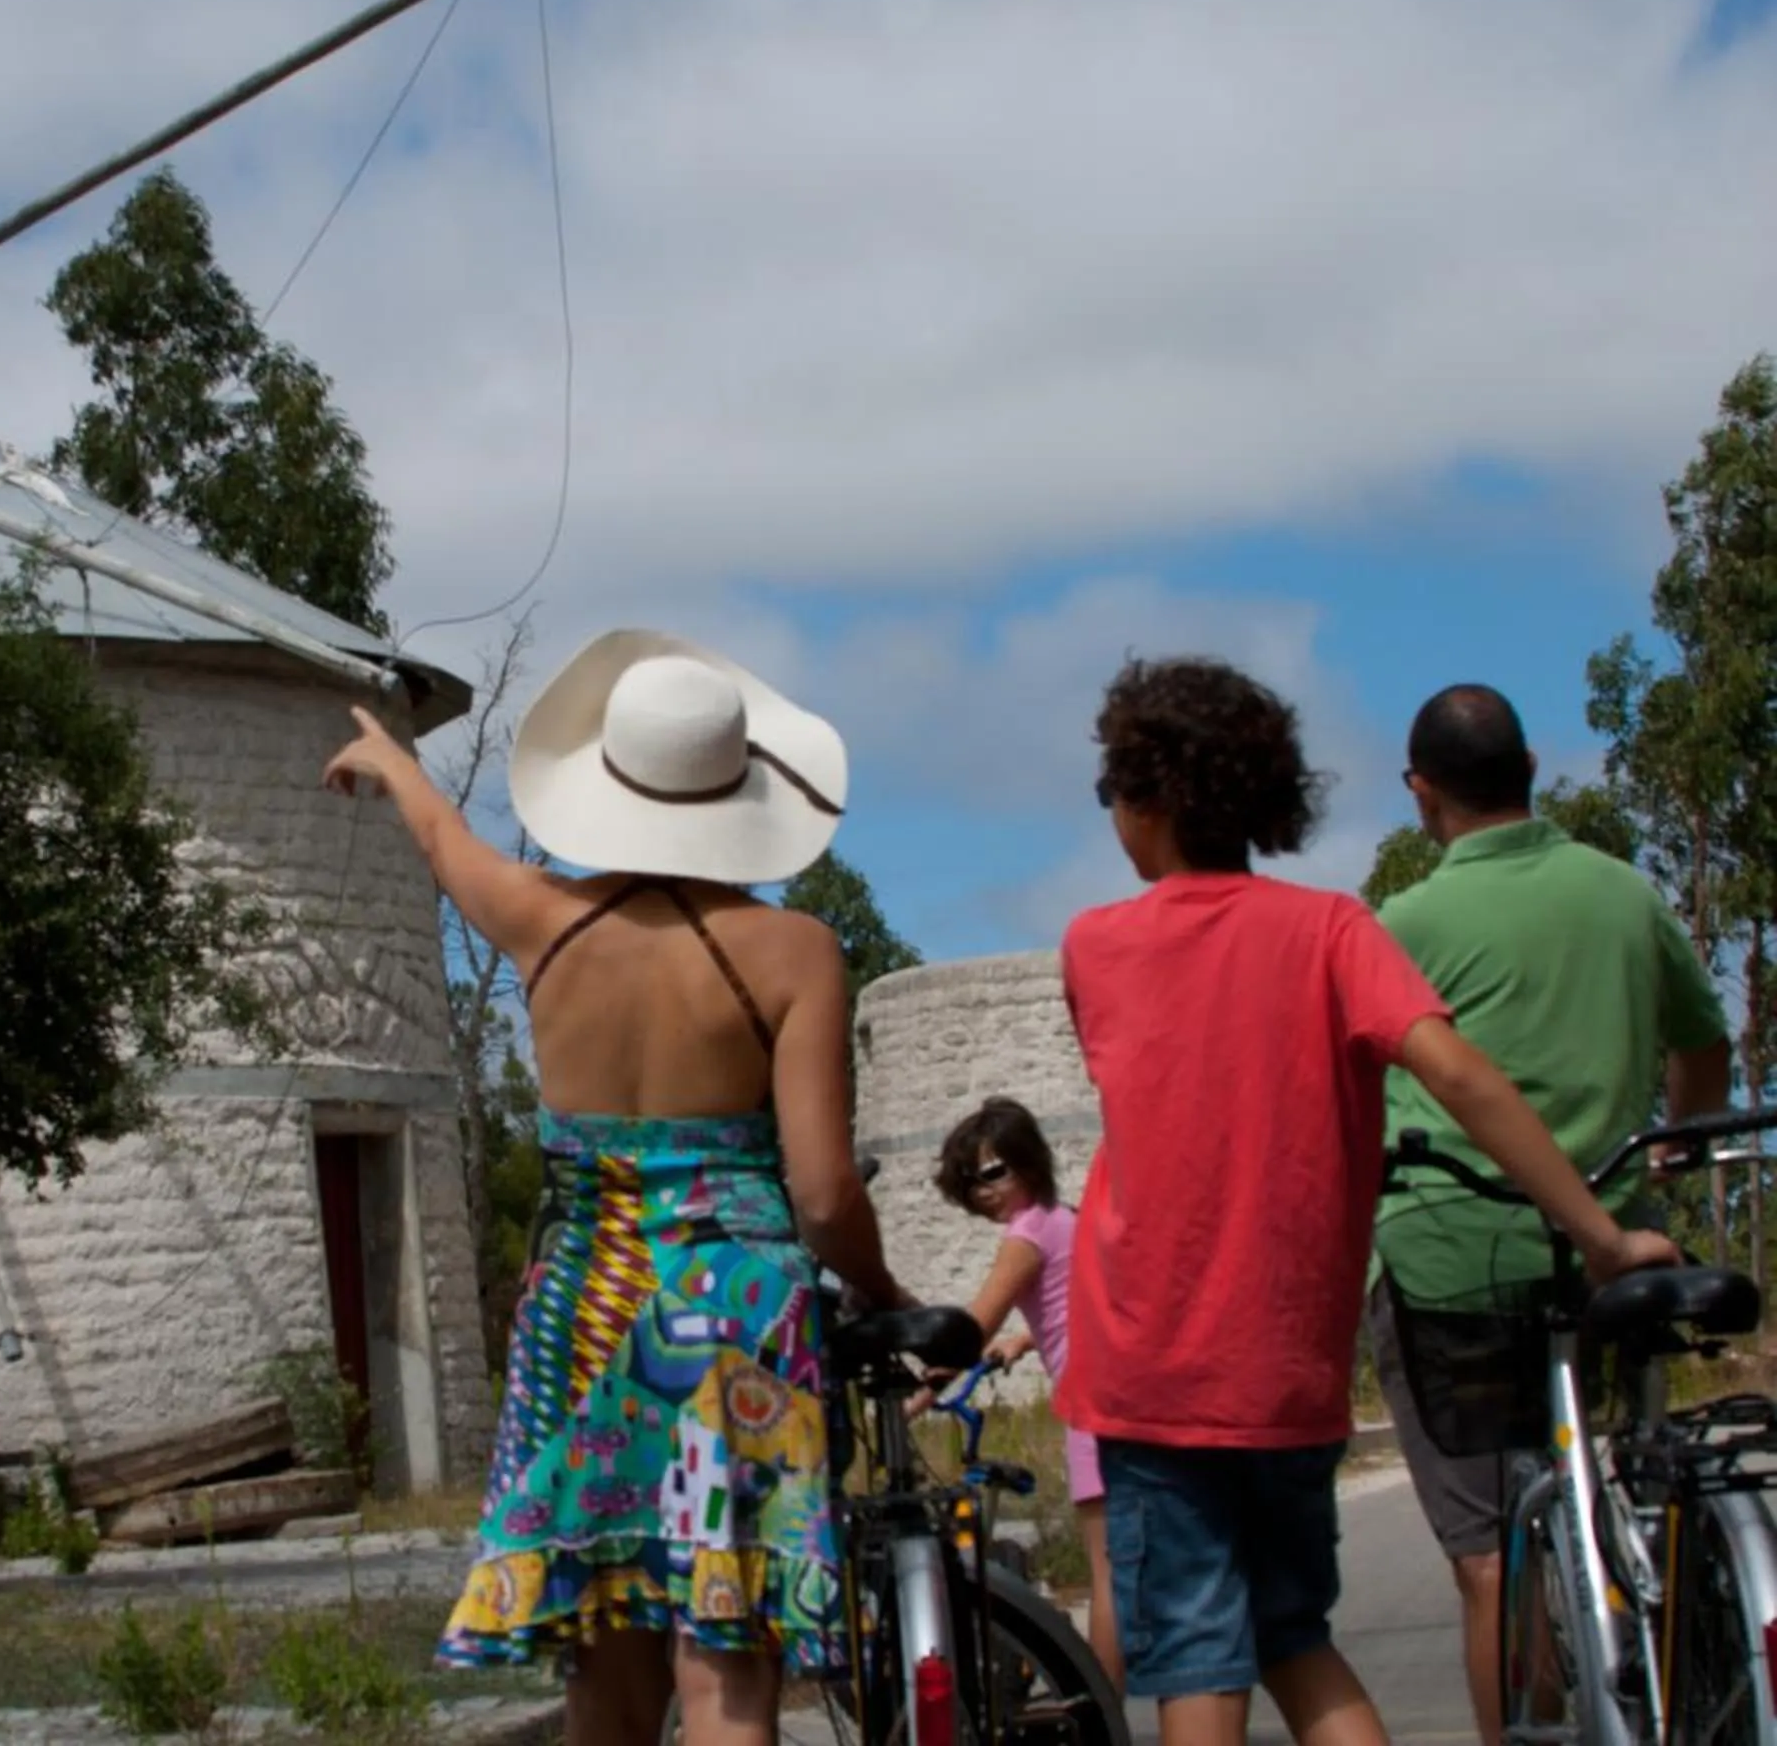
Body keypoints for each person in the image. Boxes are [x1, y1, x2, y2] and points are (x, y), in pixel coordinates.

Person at [1053, 657, 1678, 1746]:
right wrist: (1602, 1231)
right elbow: (1466, 1075)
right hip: (1289, 1368)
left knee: (1200, 1654)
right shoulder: (1335, 929)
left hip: (1153, 1368)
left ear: (1145, 799)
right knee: (1296, 1634)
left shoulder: (1096, 945)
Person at [323, 628, 909, 1746]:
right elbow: (827, 1193)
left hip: (584, 1313)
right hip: (733, 1314)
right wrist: (879, 1286)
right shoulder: (796, 953)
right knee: (728, 1660)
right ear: (739, 796)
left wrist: (397, 764)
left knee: (605, 1649)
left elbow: (444, 841)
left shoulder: (542, 918)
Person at [1366, 684, 1731, 1746]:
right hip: (1607, 1254)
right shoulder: (1624, 894)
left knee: (1489, 1558)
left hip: (1451, 1259)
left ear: (1418, 792)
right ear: (1530, 762)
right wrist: (1674, 1140)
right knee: (1604, 1461)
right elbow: (1701, 1042)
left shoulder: (1405, 923)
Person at [927, 1097, 1117, 1687]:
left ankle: (1101, 1714)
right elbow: (1077, 1300)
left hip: (1093, 1404)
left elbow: (972, 1324)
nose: (984, 1191)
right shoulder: (1064, 1218)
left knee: (1108, 1576)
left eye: (994, 1172)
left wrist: (918, 1387)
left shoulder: (1027, 1232)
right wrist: (1026, 1342)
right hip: (1115, 1390)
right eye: (971, 1181)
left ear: (1029, 1162)